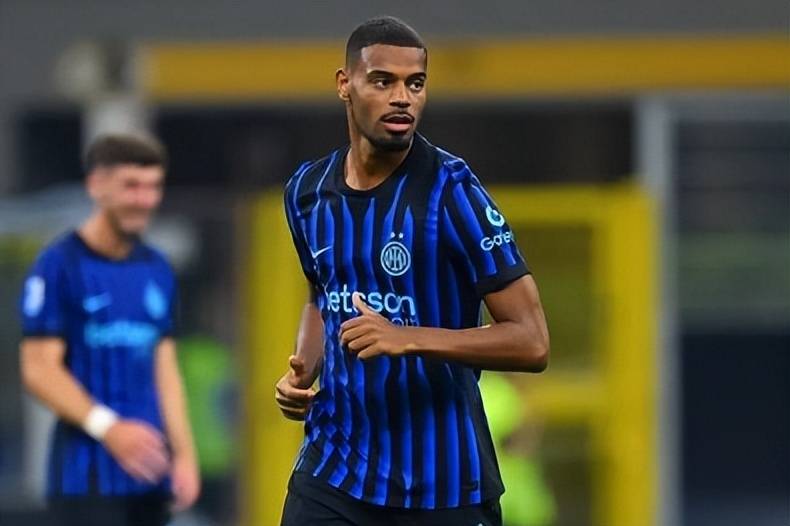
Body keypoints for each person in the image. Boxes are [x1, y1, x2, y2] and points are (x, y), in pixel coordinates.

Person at [275, 16, 550, 526]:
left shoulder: (453, 191)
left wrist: (408, 338)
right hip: (334, 473)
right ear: (345, 84)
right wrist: (303, 369)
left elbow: (532, 341)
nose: (402, 98)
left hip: (440, 486)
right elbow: (322, 292)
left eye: (415, 84)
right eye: (383, 81)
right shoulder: (307, 191)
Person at [19, 134, 200, 526]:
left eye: (153, 187)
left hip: (151, 476)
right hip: (85, 480)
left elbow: (165, 370)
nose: (144, 200)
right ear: (96, 186)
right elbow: (39, 369)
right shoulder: (58, 266)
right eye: (131, 186)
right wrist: (109, 428)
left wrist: (185, 455)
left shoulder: (157, 269)